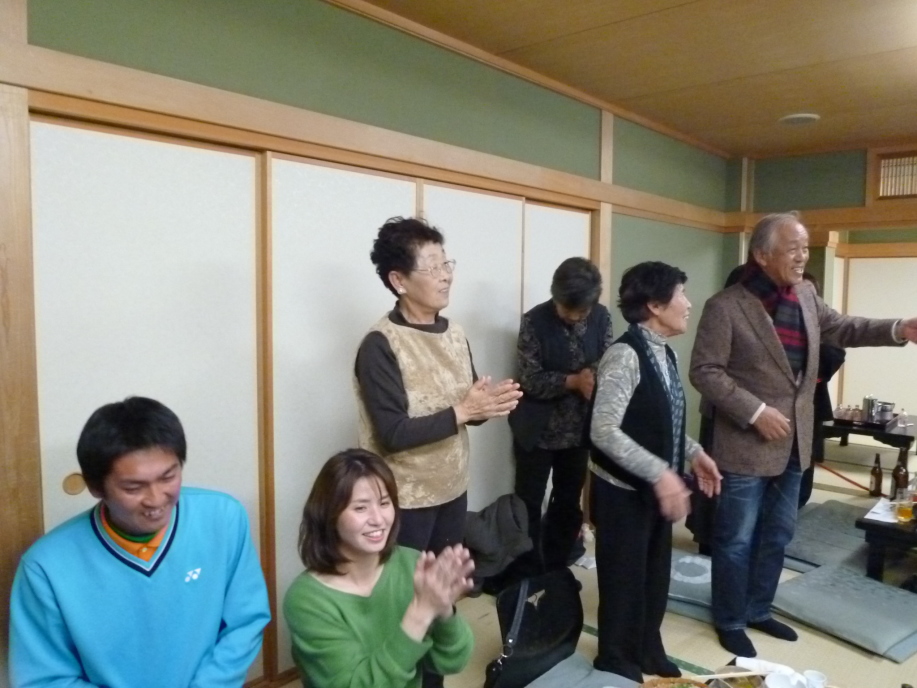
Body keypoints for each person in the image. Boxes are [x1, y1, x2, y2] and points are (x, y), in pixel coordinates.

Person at [689, 211, 917, 658]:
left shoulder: (806, 294)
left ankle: (758, 609)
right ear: (761, 255)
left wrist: (898, 329)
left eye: (805, 248)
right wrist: (755, 411)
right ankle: (730, 618)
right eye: (792, 248)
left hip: (795, 443)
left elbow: (844, 327)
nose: (802, 257)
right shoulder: (726, 306)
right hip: (745, 445)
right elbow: (705, 371)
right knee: (735, 539)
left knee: (778, 535)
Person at [9, 396, 270, 688]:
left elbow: (245, 621)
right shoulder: (46, 566)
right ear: (96, 487)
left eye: (168, 477)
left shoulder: (223, 518)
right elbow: (45, 679)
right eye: (133, 487)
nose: (156, 499)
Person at [589, 261, 722, 683]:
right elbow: (603, 430)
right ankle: (615, 657)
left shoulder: (664, 351)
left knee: (654, 576)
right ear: (655, 305)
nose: (688, 303)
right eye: (681, 294)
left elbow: (662, 420)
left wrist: (694, 454)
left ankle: (647, 648)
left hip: (655, 488)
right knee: (624, 580)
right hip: (622, 491)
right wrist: (661, 474)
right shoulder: (624, 355)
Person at [283, 448, 474, 688]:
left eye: (384, 503)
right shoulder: (306, 600)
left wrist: (443, 608)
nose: (378, 519)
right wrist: (420, 612)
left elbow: (453, 661)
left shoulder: (412, 564)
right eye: (360, 508)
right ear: (329, 514)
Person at [508, 257, 613, 576]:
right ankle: (526, 571)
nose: (573, 316)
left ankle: (557, 568)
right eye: (567, 308)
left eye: (581, 311)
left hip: (579, 430)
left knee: (568, 501)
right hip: (537, 430)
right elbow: (529, 378)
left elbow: (608, 360)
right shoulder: (534, 321)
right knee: (528, 501)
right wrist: (573, 381)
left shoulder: (601, 317)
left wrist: (594, 377)